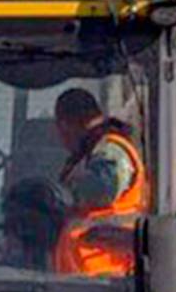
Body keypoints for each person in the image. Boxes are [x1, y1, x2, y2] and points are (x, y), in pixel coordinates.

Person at [53, 87, 148, 275]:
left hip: (110, 276)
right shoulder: (91, 152)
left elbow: (102, 188)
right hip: (84, 276)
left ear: (65, 125)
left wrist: (58, 195)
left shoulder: (112, 150)